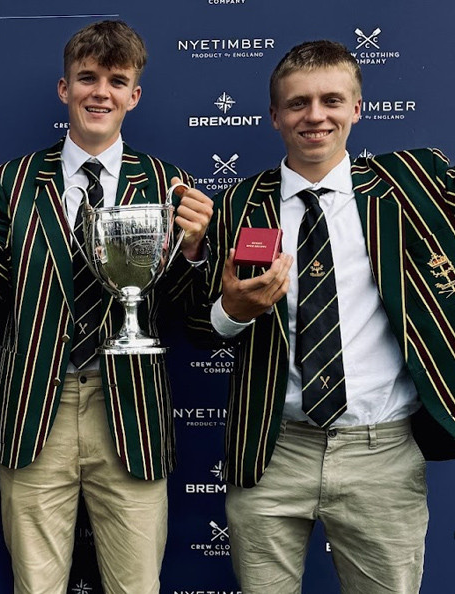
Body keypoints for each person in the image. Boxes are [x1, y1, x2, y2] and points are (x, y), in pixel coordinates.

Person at [0, 19, 213, 594]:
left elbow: (191, 314)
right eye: (86, 78)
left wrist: (192, 252)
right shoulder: (11, 181)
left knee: (136, 585)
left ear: (134, 95)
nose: (100, 92)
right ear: (64, 89)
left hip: (132, 409)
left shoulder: (168, 186)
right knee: (36, 586)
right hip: (37, 405)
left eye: (117, 81)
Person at [192, 39, 455, 593]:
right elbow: (203, 323)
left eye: (332, 100)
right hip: (271, 450)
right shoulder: (241, 203)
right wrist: (234, 311)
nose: (315, 116)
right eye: (297, 104)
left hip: (381, 451)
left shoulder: (411, 185)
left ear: (357, 108)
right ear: (274, 116)